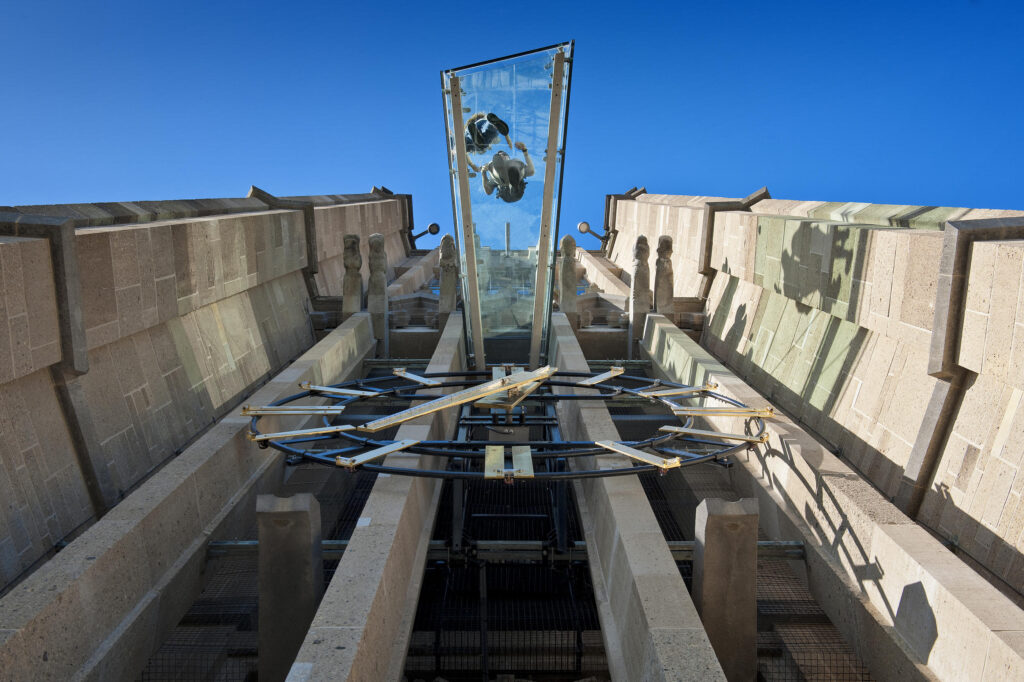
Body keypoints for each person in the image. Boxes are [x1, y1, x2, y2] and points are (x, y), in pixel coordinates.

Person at [468, 142, 535, 203]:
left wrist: (483, 173)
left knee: (498, 173)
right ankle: (511, 183)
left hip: (504, 184)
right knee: (522, 170)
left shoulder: (492, 174)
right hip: (512, 179)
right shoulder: (515, 166)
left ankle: (509, 183)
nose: (502, 155)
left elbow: (488, 191)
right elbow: (531, 171)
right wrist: (524, 150)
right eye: (502, 155)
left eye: (503, 155)